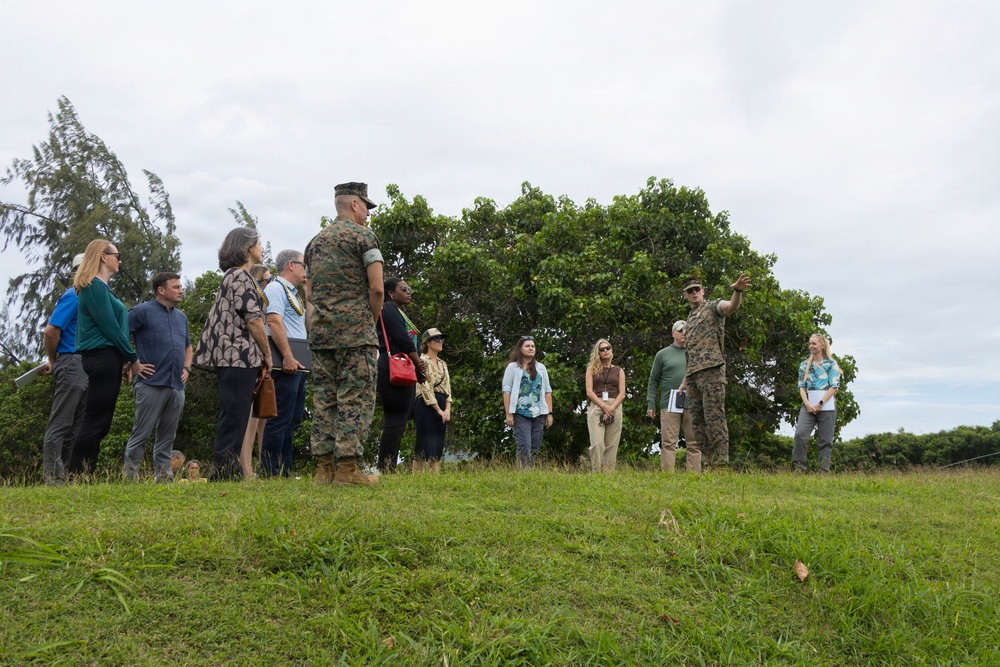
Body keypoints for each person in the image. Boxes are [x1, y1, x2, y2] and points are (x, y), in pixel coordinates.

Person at [304, 181, 383, 486]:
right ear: (354, 204)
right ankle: (347, 471)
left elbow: (309, 295)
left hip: (322, 335)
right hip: (356, 335)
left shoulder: (314, 243)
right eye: (366, 206)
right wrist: (369, 321)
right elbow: (377, 287)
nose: (367, 213)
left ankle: (324, 470)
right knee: (355, 399)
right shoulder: (364, 237)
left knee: (324, 399)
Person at [193, 228, 271, 480]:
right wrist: (267, 354)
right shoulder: (239, 277)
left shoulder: (234, 276)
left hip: (234, 356)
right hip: (237, 355)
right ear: (247, 249)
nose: (262, 248)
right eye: (259, 244)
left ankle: (228, 468)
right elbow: (254, 320)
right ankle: (225, 469)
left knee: (235, 412)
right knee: (234, 413)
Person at [67, 240, 143, 476]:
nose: (119, 260)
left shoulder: (101, 288)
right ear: (103, 257)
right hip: (100, 355)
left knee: (102, 422)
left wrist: (123, 359)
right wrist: (132, 357)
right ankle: (77, 474)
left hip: (109, 357)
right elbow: (110, 328)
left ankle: (86, 473)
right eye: (116, 255)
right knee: (95, 419)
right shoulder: (93, 287)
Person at [122, 272, 192, 482]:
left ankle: (163, 477)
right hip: (150, 383)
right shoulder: (141, 311)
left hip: (176, 385)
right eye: (176, 287)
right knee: (140, 434)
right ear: (161, 290)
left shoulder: (182, 317)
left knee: (167, 436)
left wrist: (187, 368)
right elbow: (119, 334)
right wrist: (133, 363)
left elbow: (188, 347)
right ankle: (130, 479)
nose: (181, 290)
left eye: (181, 286)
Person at [681, 273, 751, 467]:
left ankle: (720, 464)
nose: (694, 293)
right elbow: (690, 351)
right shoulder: (689, 319)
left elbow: (730, 307)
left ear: (703, 291)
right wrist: (685, 379)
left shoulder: (712, 307)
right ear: (685, 295)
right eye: (690, 291)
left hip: (712, 371)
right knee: (697, 423)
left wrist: (737, 291)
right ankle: (708, 463)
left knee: (715, 419)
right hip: (693, 375)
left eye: (697, 289)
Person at [38, 252, 88, 485]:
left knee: (76, 425)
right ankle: (52, 478)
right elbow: (51, 331)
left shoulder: (90, 297)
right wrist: (53, 360)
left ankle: (66, 476)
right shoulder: (73, 295)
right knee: (61, 424)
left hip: (85, 364)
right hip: (71, 361)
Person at [260, 250, 311, 477]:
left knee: (294, 418)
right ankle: (270, 470)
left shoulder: (295, 294)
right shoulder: (275, 288)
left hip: (299, 362)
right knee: (279, 418)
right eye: (304, 265)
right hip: (285, 362)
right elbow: (273, 321)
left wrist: (309, 292)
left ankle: (285, 470)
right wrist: (288, 355)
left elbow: (308, 324)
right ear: (291, 265)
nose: (306, 269)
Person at [376, 277, 427, 473]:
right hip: (393, 367)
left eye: (409, 288)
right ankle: (386, 467)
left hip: (403, 367)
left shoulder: (398, 311)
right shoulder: (388, 309)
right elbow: (403, 340)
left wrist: (416, 368)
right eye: (403, 288)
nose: (408, 291)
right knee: (395, 420)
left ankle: (389, 465)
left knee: (400, 421)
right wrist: (419, 364)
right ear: (391, 293)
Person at [646, 321, 701, 472]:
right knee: (669, 442)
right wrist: (651, 404)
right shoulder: (663, 354)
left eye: (686, 330)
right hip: (668, 403)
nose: (684, 333)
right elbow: (653, 380)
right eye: (680, 331)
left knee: (694, 442)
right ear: (673, 333)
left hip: (693, 402)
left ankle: (694, 476)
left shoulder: (695, 352)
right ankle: (667, 475)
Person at [239, 263, 272, 478]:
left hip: (265, 363)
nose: (270, 284)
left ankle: (265, 468)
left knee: (265, 416)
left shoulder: (265, 303)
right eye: (267, 280)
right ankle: (246, 470)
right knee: (249, 420)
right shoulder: (250, 298)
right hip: (251, 360)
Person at [792, 334, 842, 473]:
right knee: (800, 435)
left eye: (814, 344)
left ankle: (823, 472)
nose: (811, 346)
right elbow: (801, 386)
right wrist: (807, 403)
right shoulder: (804, 365)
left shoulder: (831, 364)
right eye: (809, 344)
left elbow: (834, 386)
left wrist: (821, 403)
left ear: (822, 346)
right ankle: (798, 469)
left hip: (826, 405)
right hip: (808, 405)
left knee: (825, 440)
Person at [502, 336, 553, 468]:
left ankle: (530, 473)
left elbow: (547, 391)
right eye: (527, 346)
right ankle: (523, 473)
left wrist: (549, 413)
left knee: (535, 445)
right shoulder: (513, 367)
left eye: (533, 346)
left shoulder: (541, 368)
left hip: (539, 413)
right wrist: (509, 414)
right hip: (520, 413)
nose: (531, 348)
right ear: (520, 349)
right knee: (525, 445)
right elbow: (506, 391)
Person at [413, 328, 451, 473]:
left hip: (441, 402)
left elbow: (448, 389)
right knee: (423, 441)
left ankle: (434, 476)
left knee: (438, 442)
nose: (440, 342)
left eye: (442, 339)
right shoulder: (421, 361)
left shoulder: (443, 364)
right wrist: (438, 410)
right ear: (427, 342)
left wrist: (447, 409)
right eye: (437, 339)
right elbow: (425, 387)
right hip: (425, 403)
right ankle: (417, 477)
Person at [584, 338, 625, 472]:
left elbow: (622, 393)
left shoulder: (619, 371)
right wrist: (604, 406)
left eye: (608, 348)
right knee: (597, 444)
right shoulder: (591, 369)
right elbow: (589, 392)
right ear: (598, 352)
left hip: (615, 405)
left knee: (612, 444)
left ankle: (608, 474)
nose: (606, 351)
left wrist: (612, 407)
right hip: (597, 405)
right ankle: (596, 472)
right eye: (602, 349)